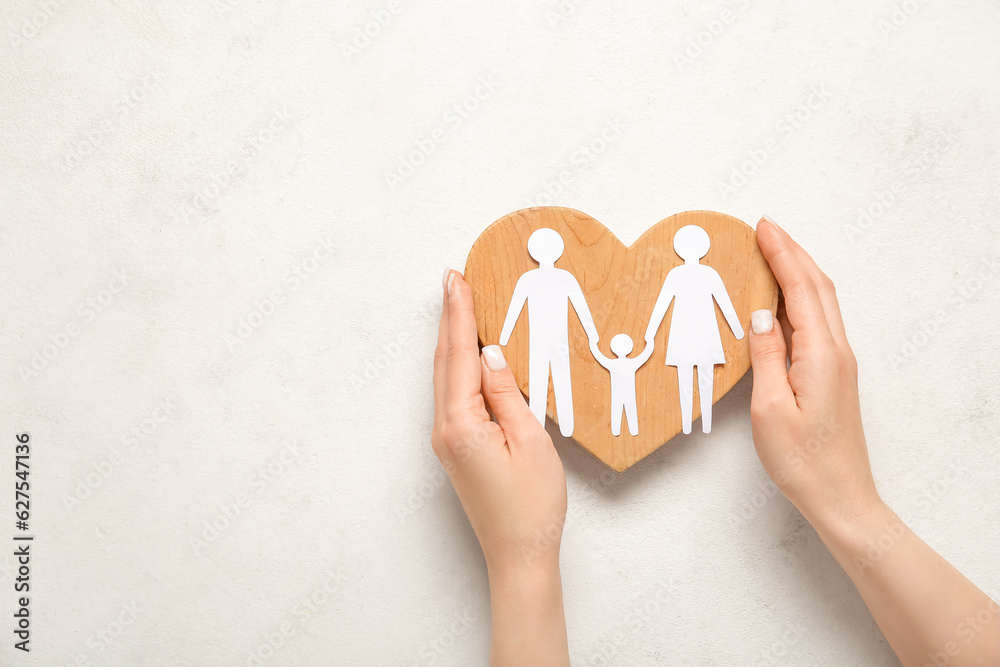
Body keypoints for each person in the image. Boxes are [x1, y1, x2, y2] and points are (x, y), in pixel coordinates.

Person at [432, 217, 1000, 666]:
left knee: (691, 380)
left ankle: (693, 413)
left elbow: (606, 310)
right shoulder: (539, 278)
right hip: (610, 344)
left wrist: (519, 565)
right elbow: (630, 314)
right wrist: (853, 509)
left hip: (681, 339)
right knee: (586, 378)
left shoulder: (690, 276)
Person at [644, 224, 745, 435]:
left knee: (686, 379)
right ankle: (703, 422)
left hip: (686, 333)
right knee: (704, 378)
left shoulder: (677, 274)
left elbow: (662, 305)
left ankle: (689, 424)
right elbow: (724, 304)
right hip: (701, 332)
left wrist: (650, 333)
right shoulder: (708, 273)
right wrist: (737, 332)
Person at [589, 333, 655, 436]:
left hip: (619, 394)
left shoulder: (613, 364)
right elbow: (646, 354)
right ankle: (631, 431)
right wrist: (650, 341)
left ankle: (619, 430)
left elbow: (598, 355)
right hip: (625, 394)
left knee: (618, 409)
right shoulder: (632, 363)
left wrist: (593, 343)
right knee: (628, 409)